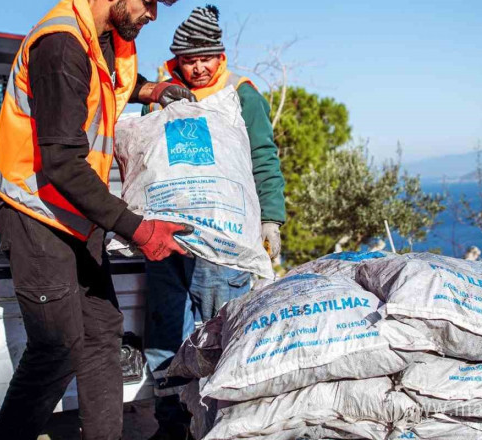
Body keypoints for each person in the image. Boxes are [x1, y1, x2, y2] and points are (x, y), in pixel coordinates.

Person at [0, 1, 196, 439]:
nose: (153, 14)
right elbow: (61, 161)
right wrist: (138, 228)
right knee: (55, 349)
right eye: (150, 1)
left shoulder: (102, 40)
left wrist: (151, 91)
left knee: (102, 333)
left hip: (76, 212)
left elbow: (111, 86)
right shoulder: (61, 45)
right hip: (35, 211)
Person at [141, 5, 287, 439]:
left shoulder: (242, 94)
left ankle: (220, 426)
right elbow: (149, 162)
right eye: (189, 59)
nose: (199, 67)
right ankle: (171, 426)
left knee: (218, 332)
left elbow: (263, 155)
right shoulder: (161, 95)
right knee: (166, 332)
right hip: (169, 234)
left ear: (220, 57)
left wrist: (271, 219)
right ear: (177, 61)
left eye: (206, 57)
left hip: (224, 241)